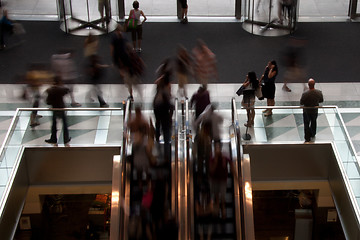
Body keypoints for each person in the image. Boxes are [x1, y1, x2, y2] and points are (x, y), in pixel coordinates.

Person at [208, 141, 237, 219]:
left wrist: (237, 178)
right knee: (216, 195)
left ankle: (223, 210)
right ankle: (217, 210)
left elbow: (231, 166)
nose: (217, 149)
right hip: (214, 178)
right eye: (215, 147)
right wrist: (216, 160)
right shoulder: (212, 157)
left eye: (218, 147)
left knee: (223, 196)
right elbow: (211, 170)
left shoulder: (225, 155)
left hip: (223, 179)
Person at [45, 77, 71, 145]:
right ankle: (66, 139)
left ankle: (53, 138)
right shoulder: (61, 89)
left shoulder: (50, 90)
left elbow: (48, 102)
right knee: (65, 124)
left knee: (54, 125)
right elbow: (67, 90)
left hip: (54, 108)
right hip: (61, 108)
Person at [300, 78, 323, 143]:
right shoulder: (319, 92)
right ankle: (313, 133)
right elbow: (321, 100)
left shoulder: (305, 93)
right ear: (314, 84)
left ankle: (307, 137)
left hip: (306, 111)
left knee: (306, 123)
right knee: (314, 121)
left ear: (308, 85)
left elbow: (301, 102)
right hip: (314, 110)